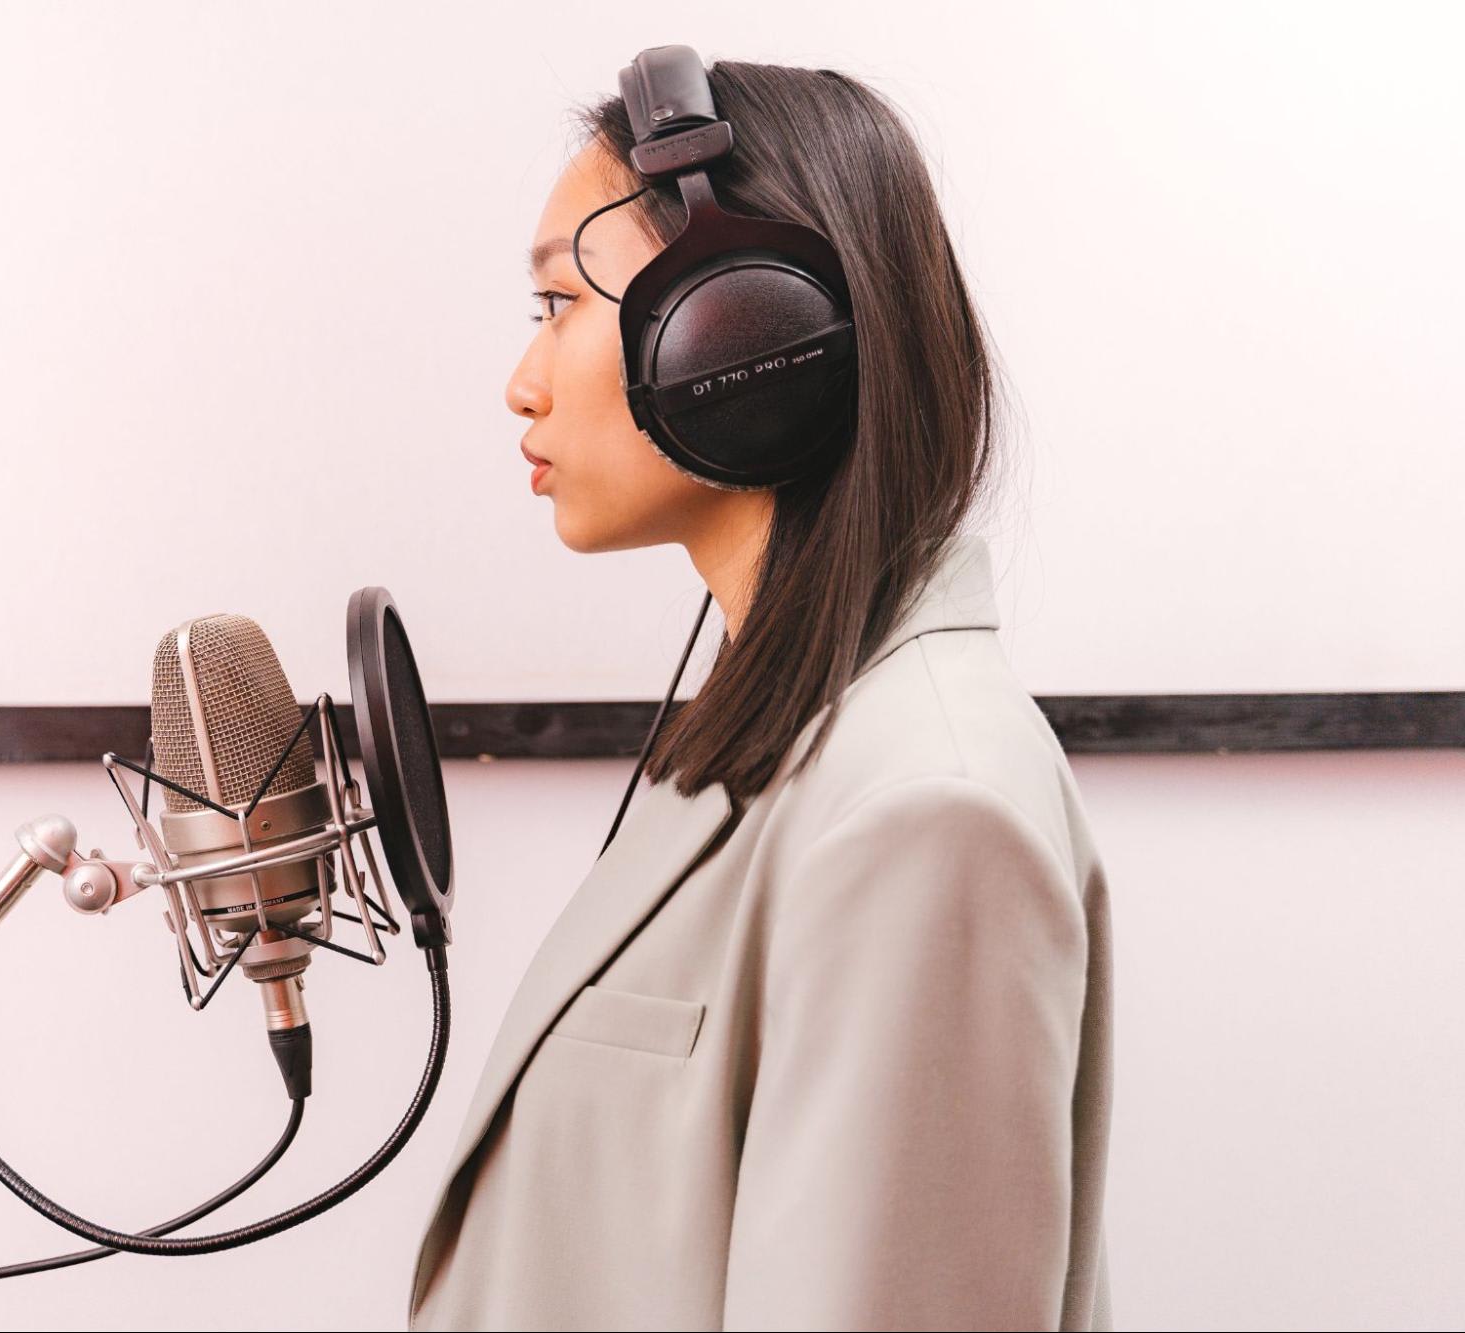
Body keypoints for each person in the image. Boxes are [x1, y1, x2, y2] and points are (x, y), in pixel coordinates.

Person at [404, 57, 1114, 1331]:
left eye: (557, 302)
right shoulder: (779, 743)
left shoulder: (922, 812)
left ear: (742, 339)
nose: (523, 382)